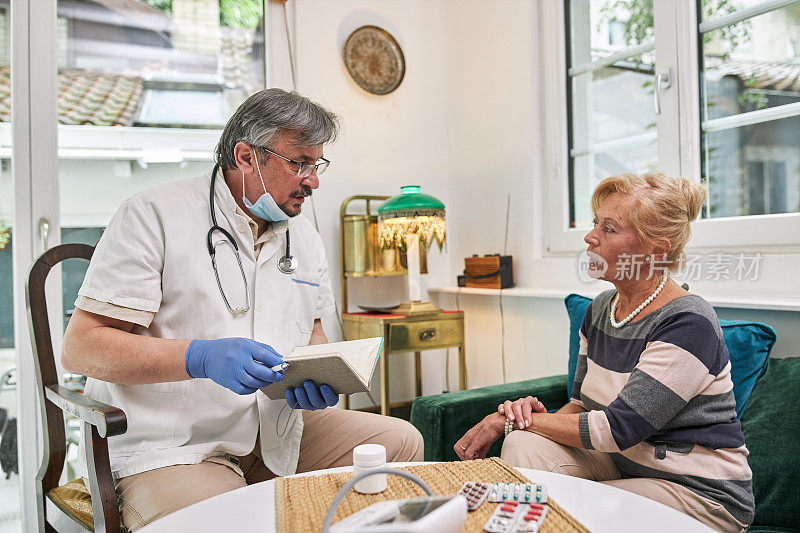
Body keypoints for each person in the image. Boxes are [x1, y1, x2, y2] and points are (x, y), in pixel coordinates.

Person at [62, 89, 423, 530]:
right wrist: (199, 357)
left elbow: (312, 332)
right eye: (299, 163)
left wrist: (319, 376)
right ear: (247, 156)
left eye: (317, 164)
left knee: (400, 443)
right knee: (232, 522)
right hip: (177, 448)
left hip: (277, 429)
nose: (313, 181)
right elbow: (83, 347)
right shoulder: (153, 214)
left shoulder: (302, 236)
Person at [453, 172, 753, 532]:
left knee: (541, 457)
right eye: (596, 222)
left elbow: (618, 429)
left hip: (695, 491)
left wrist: (507, 419)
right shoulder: (599, 310)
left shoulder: (689, 322)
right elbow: (580, 404)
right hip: (620, 464)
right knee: (524, 443)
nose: (589, 236)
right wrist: (531, 424)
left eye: (609, 228)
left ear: (656, 250)